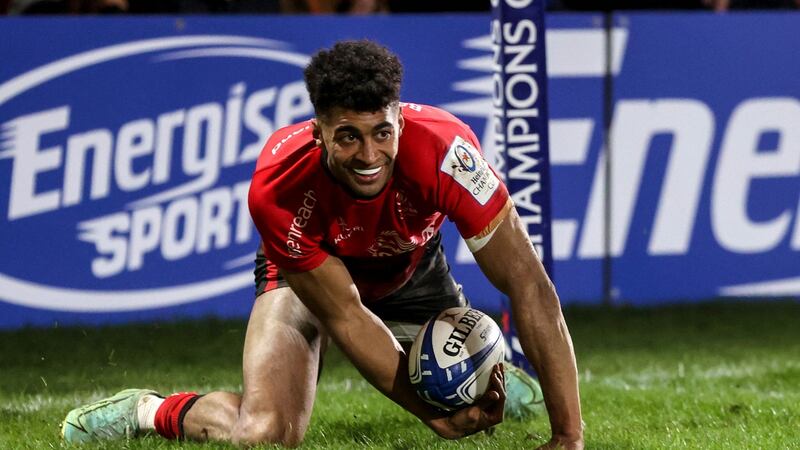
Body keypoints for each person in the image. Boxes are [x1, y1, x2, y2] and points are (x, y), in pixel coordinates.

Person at [61, 40, 584, 449]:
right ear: (319, 133)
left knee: (467, 387)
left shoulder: (447, 152)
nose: (369, 154)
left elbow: (528, 283)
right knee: (264, 434)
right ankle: (147, 410)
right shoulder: (278, 186)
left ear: (400, 121)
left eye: (382, 132)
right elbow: (346, 317)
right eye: (348, 136)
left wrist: (568, 436)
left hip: (410, 266)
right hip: (308, 280)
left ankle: (484, 372)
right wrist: (432, 416)